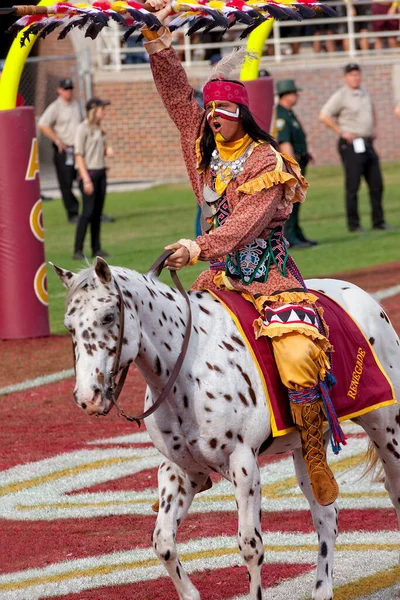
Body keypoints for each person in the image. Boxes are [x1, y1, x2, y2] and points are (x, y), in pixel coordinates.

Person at [139, 3, 347, 508]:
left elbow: (243, 225)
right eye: (210, 111)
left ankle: (314, 452)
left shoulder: (268, 161)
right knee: (174, 349)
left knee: (298, 356)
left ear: (242, 115)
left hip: (270, 277)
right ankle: (191, 461)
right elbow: (176, 100)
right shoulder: (203, 150)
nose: (214, 118)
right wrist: (157, 40)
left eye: (225, 111)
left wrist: (196, 246)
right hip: (218, 280)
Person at [320, 64, 391, 232]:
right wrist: (341, 132)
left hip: (367, 143)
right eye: (352, 75)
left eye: (357, 74)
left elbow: (372, 112)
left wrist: (374, 129)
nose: (355, 78)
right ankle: (354, 224)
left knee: (376, 183)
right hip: (351, 144)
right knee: (353, 185)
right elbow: (324, 115)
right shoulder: (341, 95)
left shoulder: (365, 92)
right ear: (346, 77)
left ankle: (378, 221)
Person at [275, 79, 317, 248]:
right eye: (294, 92)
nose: (297, 95)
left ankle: (297, 233)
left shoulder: (289, 113)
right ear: (287, 95)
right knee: (291, 202)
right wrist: (293, 169)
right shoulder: (281, 115)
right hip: (293, 163)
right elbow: (284, 142)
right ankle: (290, 237)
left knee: (297, 200)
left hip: (301, 159)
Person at [73, 97, 112, 260]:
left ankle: (96, 248)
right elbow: (79, 155)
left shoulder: (99, 128)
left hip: (100, 172)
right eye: (102, 108)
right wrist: (86, 179)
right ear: (93, 110)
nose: (104, 111)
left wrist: (107, 151)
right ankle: (77, 250)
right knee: (87, 213)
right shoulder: (83, 129)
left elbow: (97, 150)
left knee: (97, 212)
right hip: (88, 174)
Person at [38, 78, 82, 224]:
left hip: (78, 149)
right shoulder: (55, 107)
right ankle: (72, 213)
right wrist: (57, 140)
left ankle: (92, 211)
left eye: (70, 89)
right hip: (65, 150)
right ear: (59, 90)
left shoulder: (76, 105)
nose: (68, 92)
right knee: (66, 182)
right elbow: (43, 124)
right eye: (65, 89)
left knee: (85, 179)